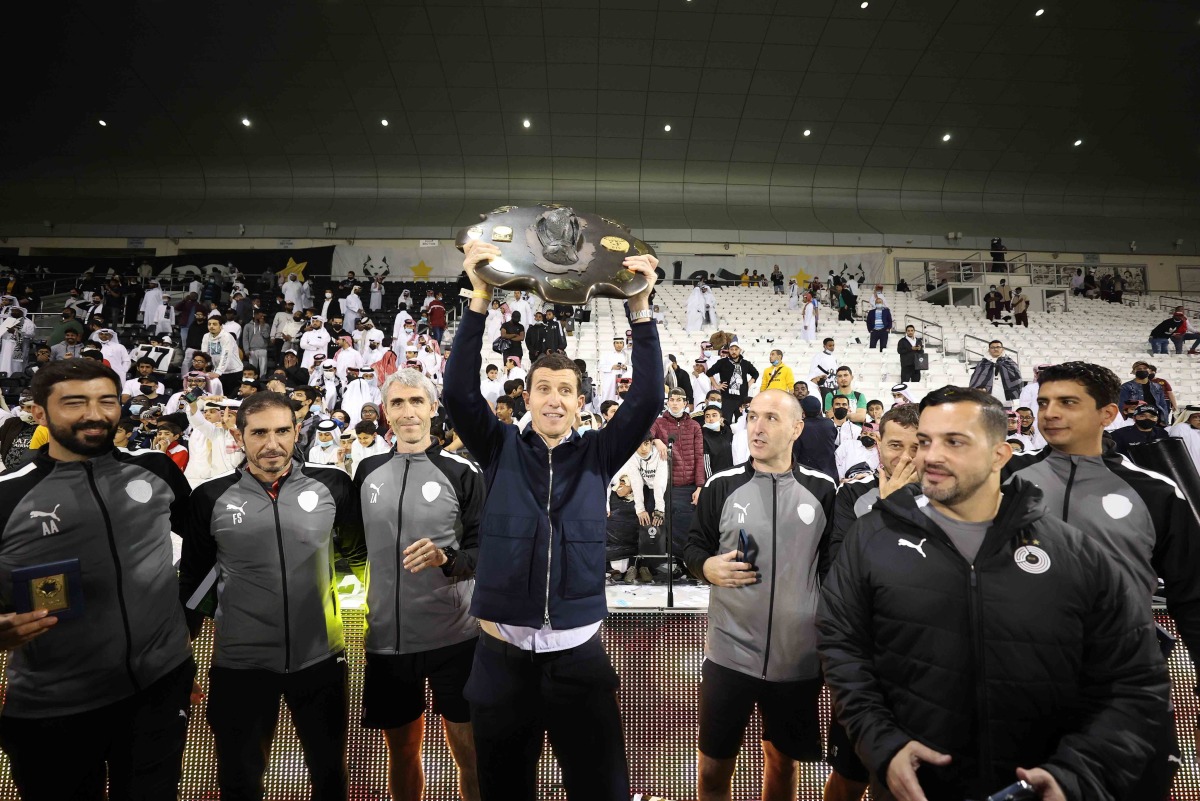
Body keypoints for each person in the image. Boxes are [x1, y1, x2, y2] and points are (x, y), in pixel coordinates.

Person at [817, 385, 1171, 801]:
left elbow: (1133, 680)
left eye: (955, 442)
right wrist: (883, 744)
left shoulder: (1071, 551)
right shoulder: (871, 538)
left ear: (1000, 455)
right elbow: (842, 648)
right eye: (926, 441)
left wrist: (1075, 774)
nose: (929, 456)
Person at [442, 238, 661, 800]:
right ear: (526, 398)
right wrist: (479, 299)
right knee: (505, 791)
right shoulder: (498, 448)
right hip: (501, 659)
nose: (556, 399)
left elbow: (647, 399)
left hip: (579, 660)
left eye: (567, 390)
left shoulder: (598, 454)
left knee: (601, 791)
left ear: (581, 401)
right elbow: (460, 392)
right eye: (545, 389)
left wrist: (640, 310)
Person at [0, 359, 196, 800]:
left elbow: (205, 554)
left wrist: (181, 635)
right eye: (74, 402)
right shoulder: (8, 496)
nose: (94, 413)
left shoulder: (157, 471)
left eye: (106, 401)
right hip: (53, 708)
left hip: (158, 692)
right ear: (39, 414)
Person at [1003, 362, 1200, 797]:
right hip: (1016, 685)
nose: (1049, 413)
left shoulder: (1155, 491)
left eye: (1067, 403)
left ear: (1107, 414)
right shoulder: (1003, 482)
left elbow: (1193, 595)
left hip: (1123, 686)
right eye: (1043, 403)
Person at [181, 391, 365, 801]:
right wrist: (181, 653)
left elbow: (356, 558)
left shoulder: (332, 484)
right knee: (239, 782)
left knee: (330, 777)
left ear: (297, 432)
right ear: (239, 435)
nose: (273, 443)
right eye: (259, 432)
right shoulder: (210, 497)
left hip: (321, 659)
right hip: (240, 665)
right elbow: (194, 582)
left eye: (283, 431)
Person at [684, 390, 836, 801]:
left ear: (797, 428)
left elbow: (831, 571)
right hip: (728, 656)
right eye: (753, 417)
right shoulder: (722, 485)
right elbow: (693, 548)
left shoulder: (823, 490)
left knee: (783, 762)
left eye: (771, 418)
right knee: (713, 770)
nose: (757, 426)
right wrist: (705, 567)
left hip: (798, 660)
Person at [352, 369, 484, 801]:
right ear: (385, 412)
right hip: (387, 641)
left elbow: (487, 551)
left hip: (455, 639)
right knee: (402, 754)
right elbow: (352, 546)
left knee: (469, 754)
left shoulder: (463, 472)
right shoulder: (367, 470)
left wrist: (449, 559)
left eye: (416, 401)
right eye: (397, 403)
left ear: (432, 408)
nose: (408, 412)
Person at [822, 404, 920, 801]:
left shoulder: (950, 498)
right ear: (877, 443)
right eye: (896, 445)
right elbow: (843, 573)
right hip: (867, 665)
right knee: (849, 778)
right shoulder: (853, 495)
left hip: (926, 663)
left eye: (917, 446)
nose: (906, 457)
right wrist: (890, 507)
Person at [707, 341, 758, 424]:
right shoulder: (722, 362)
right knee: (726, 423)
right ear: (729, 350)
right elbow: (709, 372)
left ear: (740, 350)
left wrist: (748, 384)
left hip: (742, 399)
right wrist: (717, 386)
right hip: (727, 398)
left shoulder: (745, 363)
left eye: (736, 349)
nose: (734, 351)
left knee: (741, 422)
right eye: (731, 349)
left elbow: (755, 373)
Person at [967, 340, 1023, 405]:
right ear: (989, 350)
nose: (995, 349)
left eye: (998, 347)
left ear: (1002, 349)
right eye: (992, 347)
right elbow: (977, 380)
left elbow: (1017, 379)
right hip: (987, 398)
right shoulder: (982, 364)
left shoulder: (1010, 363)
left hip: (1005, 398)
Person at [201, 316, 245, 396]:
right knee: (219, 397)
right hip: (218, 372)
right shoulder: (206, 336)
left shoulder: (227, 336)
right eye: (209, 324)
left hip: (233, 372)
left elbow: (226, 355)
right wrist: (204, 368)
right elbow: (204, 354)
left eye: (214, 324)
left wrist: (218, 372)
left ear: (221, 326)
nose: (211, 326)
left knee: (231, 397)